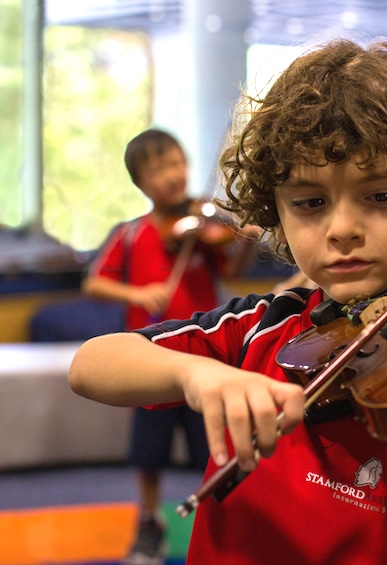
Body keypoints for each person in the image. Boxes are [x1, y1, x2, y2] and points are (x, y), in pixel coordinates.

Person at [70, 39, 387, 565]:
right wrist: (198, 376)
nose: (342, 229)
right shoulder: (260, 326)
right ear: (275, 211)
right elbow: (91, 364)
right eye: (310, 203)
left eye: (381, 196)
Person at [82, 128, 253, 565]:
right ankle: (149, 519)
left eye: (176, 162)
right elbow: (94, 283)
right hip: (150, 361)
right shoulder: (132, 233)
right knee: (149, 451)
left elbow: (231, 271)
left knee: (211, 446)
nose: (172, 175)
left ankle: (217, 518)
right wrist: (138, 295)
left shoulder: (203, 226)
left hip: (202, 357)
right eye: (158, 169)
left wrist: (245, 238)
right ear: (141, 183)